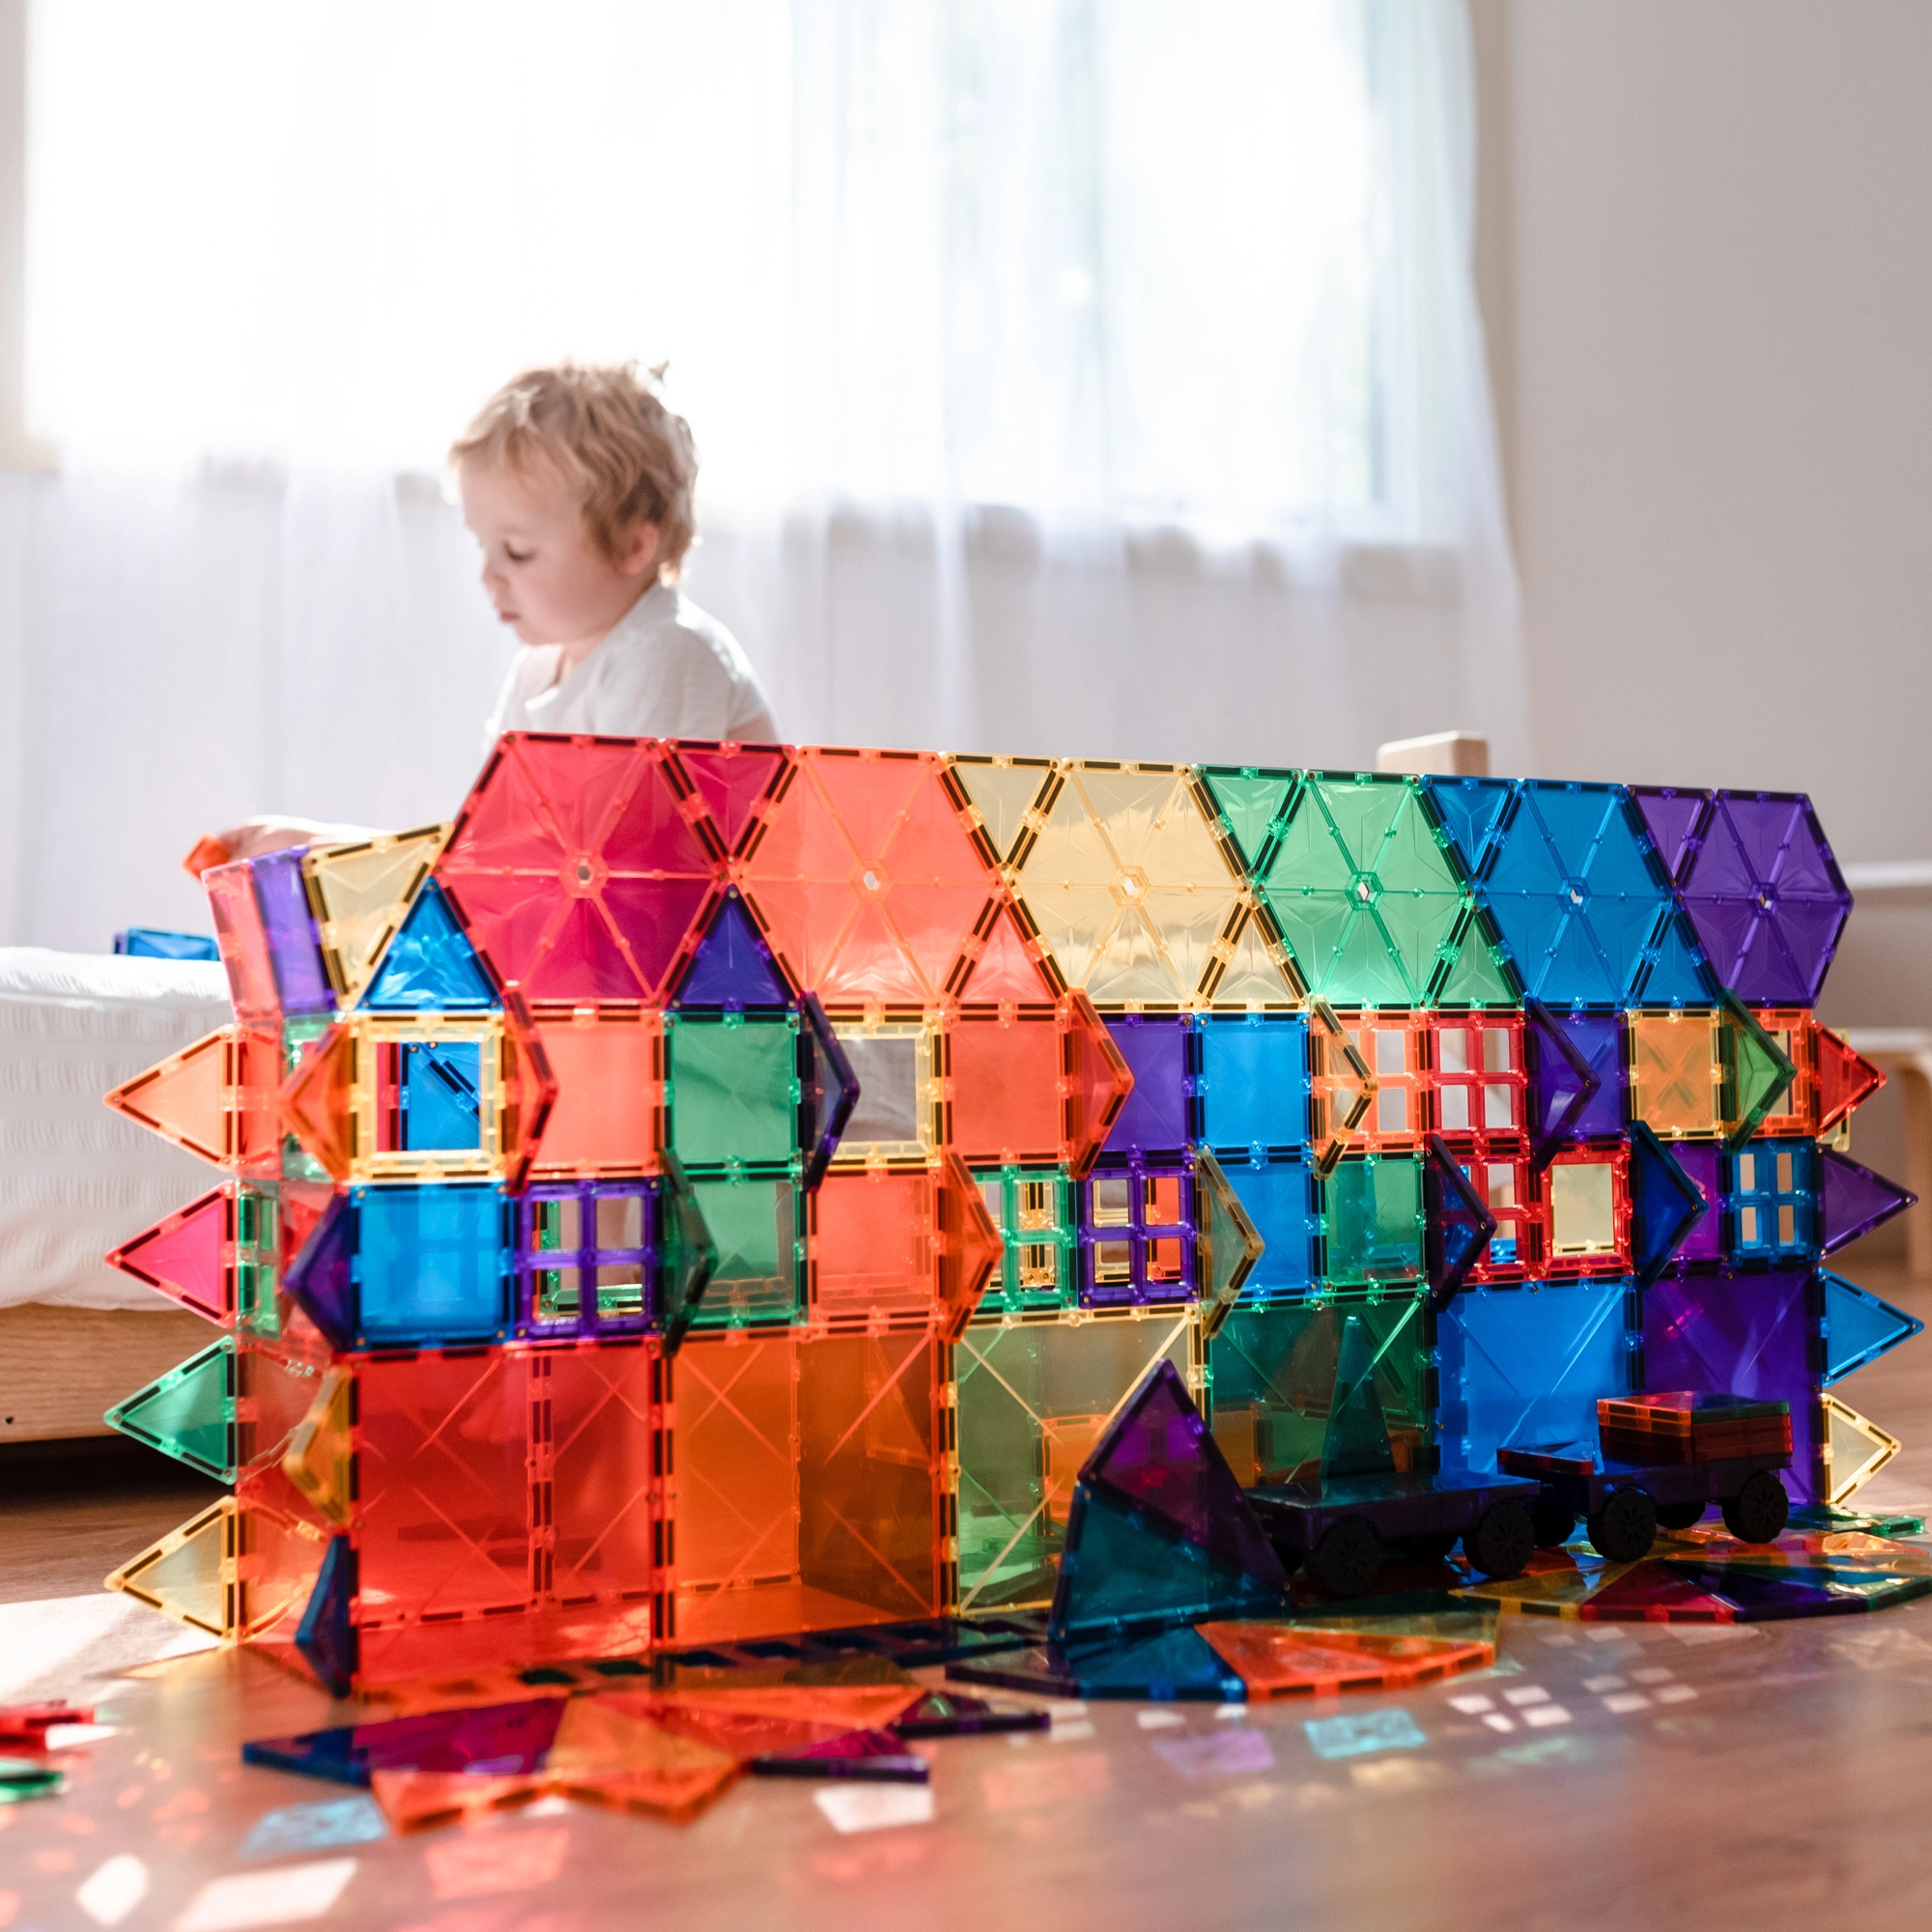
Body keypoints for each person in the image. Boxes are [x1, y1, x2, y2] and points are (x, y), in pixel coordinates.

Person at [213, 360, 774, 863]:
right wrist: (330, 844)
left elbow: (620, 868)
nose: (488, 575)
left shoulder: (665, 653)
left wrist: (350, 850)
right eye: (483, 546)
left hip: (717, 945)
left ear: (632, 546)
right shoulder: (537, 671)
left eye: (518, 552)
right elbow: (486, 852)